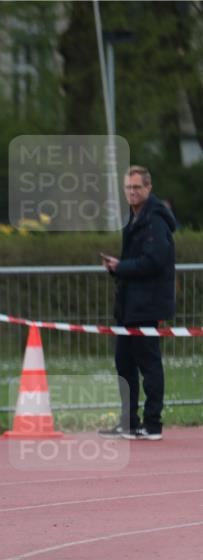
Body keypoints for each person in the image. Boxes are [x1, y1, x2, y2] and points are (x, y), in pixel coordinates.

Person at [99, 165, 176, 441]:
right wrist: (117, 268)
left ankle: (152, 423)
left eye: (137, 187)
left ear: (148, 188)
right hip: (129, 305)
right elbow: (136, 262)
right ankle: (128, 422)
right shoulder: (133, 219)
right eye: (128, 188)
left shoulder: (155, 220)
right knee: (124, 363)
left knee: (149, 364)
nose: (132, 192)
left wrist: (122, 267)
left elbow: (155, 261)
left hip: (147, 304)